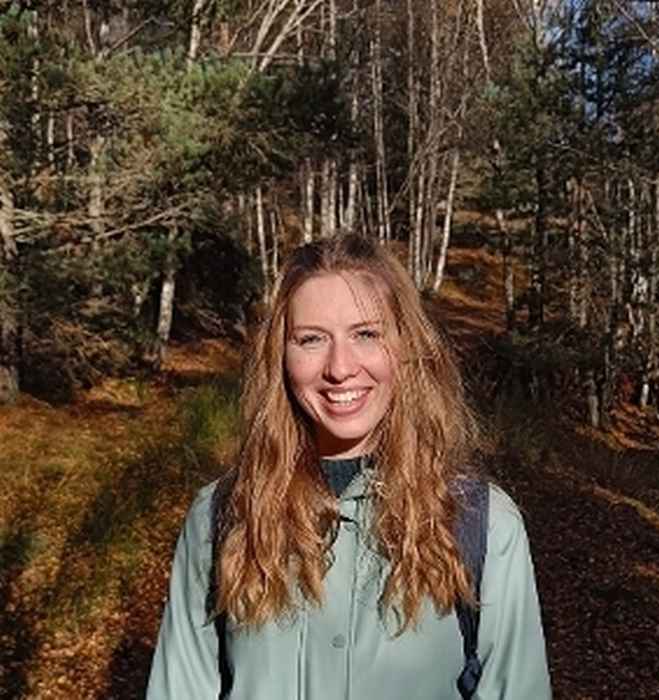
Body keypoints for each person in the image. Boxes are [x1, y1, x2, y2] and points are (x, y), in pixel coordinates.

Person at [146, 233, 551, 699]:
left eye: (366, 334)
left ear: (406, 346)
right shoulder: (221, 517)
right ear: (281, 357)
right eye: (311, 339)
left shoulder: (481, 523)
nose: (340, 368)